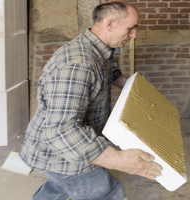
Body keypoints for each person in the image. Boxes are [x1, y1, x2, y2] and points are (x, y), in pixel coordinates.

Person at [19, 1, 162, 200]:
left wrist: (133, 86)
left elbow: (107, 73)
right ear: (110, 24)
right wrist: (119, 160)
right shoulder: (78, 64)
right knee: (108, 193)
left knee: (58, 187)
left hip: (61, 150)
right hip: (64, 153)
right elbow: (61, 131)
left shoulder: (98, 49)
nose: (134, 35)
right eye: (131, 28)